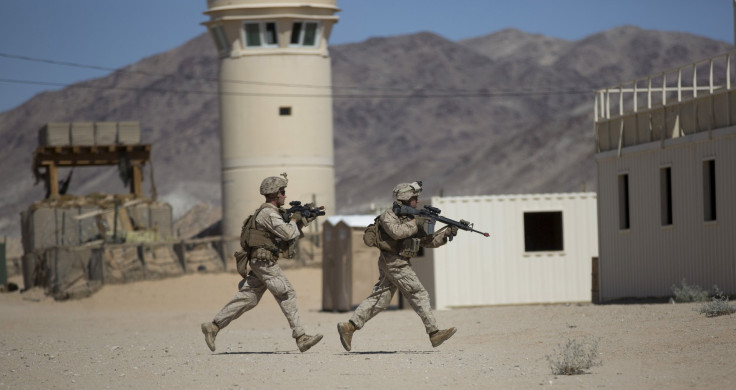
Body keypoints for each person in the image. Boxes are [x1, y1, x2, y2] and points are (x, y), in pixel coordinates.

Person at [201, 175, 323, 353]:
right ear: (274, 194)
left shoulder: (272, 213)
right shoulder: (268, 213)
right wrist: (295, 220)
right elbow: (288, 233)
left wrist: (304, 219)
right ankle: (301, 337)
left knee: (248, 298)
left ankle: (213, 326)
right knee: (287, 293)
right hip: (264, 262)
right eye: (282, 192)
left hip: (262, 262)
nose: (285, 196)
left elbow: (286, 233)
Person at [337, 181, 457, 351]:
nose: (416, 200)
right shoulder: (389, 215)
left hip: (398, 261)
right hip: (394, 262)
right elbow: (397, 232)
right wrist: (417, 222)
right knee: (418, 293)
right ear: (406, 198)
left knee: (380, 299)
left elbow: (427, 242)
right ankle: (434, 332)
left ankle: (349, 327)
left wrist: (446, 233)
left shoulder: (411, 217)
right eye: (414, 197)